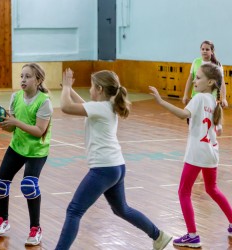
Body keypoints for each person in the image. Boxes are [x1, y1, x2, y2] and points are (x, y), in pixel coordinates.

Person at [55, 68, 172, 250]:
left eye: (92, 87)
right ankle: (159, 236)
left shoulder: (100, 108)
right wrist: (69, 90)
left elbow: (65, 107)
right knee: (121, 209)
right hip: (116, 166)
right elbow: (85, 104)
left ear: (100, 89)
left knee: (74, 211)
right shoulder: (107, 106)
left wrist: (67, 87)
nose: (90, 90)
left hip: (104, 169)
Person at [149, 63, 232, 248]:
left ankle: (192, 235)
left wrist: (161, 102)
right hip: (212, 152)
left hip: (197, 153)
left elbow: (182, 114)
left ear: (210, 82)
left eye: (199, 77)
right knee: (212, 189)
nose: (194, 80)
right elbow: (217, 129)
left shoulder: (199, 98)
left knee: (183, 192)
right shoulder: (213, 100)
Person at [0, 63, 53, 246]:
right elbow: (12, 127)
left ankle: (36, 229)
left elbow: (39, 131)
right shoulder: (15, 97)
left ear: (38, 80)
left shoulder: (44, 102)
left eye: (28, 76)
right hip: (17, 147)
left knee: (29, 186)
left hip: (36, 151)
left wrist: (16, 122)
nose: (23, 80)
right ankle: (3, 220)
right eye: (21, 76)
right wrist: (4, 123)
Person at [182, 40, 228, 108]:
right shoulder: (196, 62)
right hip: (195, 97)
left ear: (212, 51)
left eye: (207, 49)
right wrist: (185, 94)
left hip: (210, 99)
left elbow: (221, 83)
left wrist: (224, 98)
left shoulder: (217, 65)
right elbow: (190, 79)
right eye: (202, 49)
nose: (204, 51)